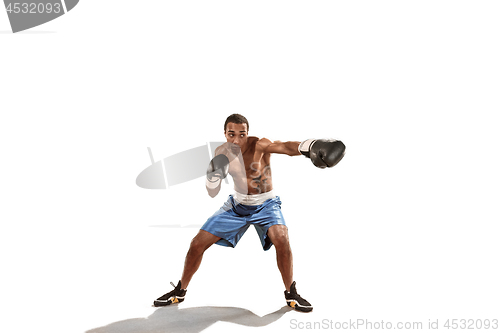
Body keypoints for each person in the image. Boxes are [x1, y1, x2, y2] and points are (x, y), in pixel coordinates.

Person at [153, 114, 345, 312]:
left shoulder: (260, 145)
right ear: (225, 134)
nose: (237, 139)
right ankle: (180, 291)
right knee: (196, 244)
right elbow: (212, 192)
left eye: (242, 134)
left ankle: (291, 294)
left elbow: (285, 147)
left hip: (266, 205)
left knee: (282, 239)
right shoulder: (221, 153)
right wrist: (213, 178)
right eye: (231, 134)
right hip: (236, 206)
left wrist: (310, 145)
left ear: (247, 133)